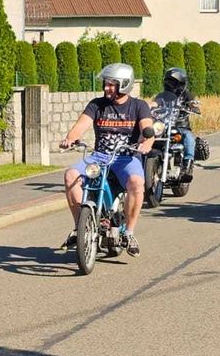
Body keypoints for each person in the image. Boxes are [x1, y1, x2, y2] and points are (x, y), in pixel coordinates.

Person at [60, 63, 155, 256]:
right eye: (106, 83)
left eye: (112, 84)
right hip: (99, 156)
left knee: (137, 183)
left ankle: (128, 233)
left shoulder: (139, 106)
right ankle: (80, 227)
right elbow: (81, 126)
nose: (106, 88)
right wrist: (70, 138)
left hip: (126, 157)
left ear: (124, 84)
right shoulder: (97, 104)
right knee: (70, 175)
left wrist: (147, 142)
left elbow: (148, 128)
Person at [153, 67, 199, 166]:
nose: (169, 84)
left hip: (181, 126)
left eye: (172, 82)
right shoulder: (162, 95)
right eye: (168, 81)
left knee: (189, 137)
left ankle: (188, 161)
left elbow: (192, 103)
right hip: (164, 124)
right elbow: (155, 103)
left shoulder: (186, 95)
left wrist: (193, 106)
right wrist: (146, 106)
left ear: (180, 83)